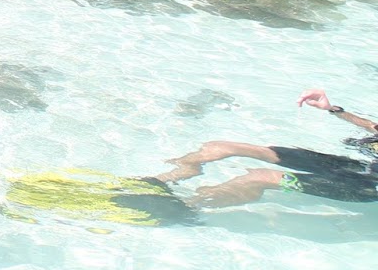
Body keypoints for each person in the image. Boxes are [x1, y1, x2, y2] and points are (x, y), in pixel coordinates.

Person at [154, 89, 378, 207]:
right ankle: (165, 178)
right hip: (352, 166)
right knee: (222, 146)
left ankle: (185, 206)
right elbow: (370, 125)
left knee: (260, 177)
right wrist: (332, 108)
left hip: (367, 187)